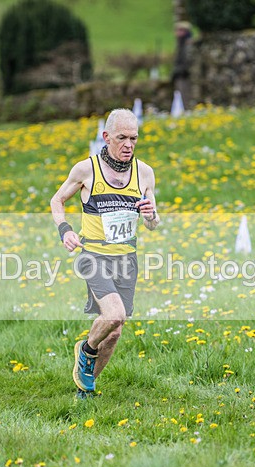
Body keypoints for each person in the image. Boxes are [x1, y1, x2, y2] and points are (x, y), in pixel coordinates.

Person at [50, 108, 160, 398]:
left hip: (126, 260)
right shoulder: (86, 170)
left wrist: (150, 215)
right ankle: (86, 350)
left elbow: (152, 223)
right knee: (114, 315)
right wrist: (66, 230)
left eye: (134, 138)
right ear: (106, 136)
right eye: (122, 138)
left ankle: (85, 388)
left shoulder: (145, 173)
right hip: (93, 256)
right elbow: (57, 200)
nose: (128, 145)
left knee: (115, 331)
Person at [172, 21, 193, 109]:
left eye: (179, 30)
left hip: (184, 76)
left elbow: (186, 61)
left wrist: (177, 72)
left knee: (184, 99)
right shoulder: (181, 43)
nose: (176, 32)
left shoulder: (187, 44)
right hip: (180, 75)